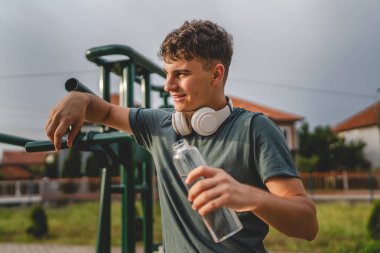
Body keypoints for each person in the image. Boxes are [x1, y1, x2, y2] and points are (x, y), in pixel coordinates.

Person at [45, 20, 318, 253]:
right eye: (167, 74)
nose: (168, 85)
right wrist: (79, 99)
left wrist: (249, 196)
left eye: (181, 74)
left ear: (216, 74)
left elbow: (307, 224)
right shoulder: (160, 125)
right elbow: (104, 112)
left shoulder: (256, 129)